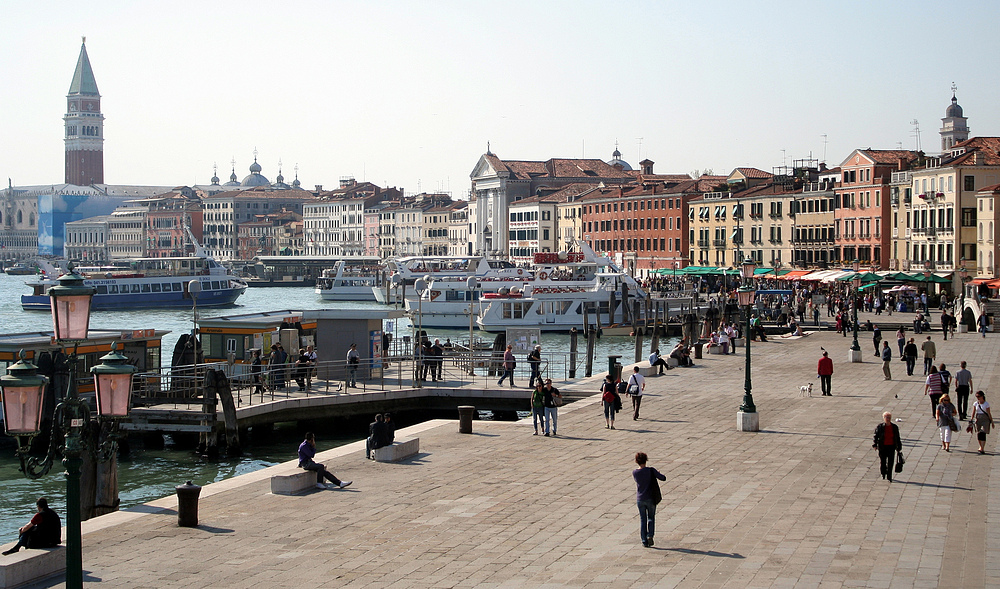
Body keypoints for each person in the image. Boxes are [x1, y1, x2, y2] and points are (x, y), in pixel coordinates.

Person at [632, 452, 666, 548]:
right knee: (651, 517)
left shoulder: (635, 472)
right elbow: (663, 478)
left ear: (636, 461)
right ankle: (650, 535)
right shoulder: (651, 470)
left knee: (643, 519)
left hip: (640, 499)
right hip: (650, 498)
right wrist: (658, 473)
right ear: (646, 460)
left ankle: (644, 540)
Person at [873, 412, 903, 482]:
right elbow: (876, 436)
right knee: (883, 462)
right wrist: (875, 445)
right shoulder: (880, 427)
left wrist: (899, 446)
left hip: (891, 446)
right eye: (886, 417)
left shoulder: (894, 427)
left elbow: (897, 437)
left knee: (891, 462)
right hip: (882, 447)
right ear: (884, 418)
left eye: (889, 417)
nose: (888, 419)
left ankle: (889, 476)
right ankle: (883, 473)